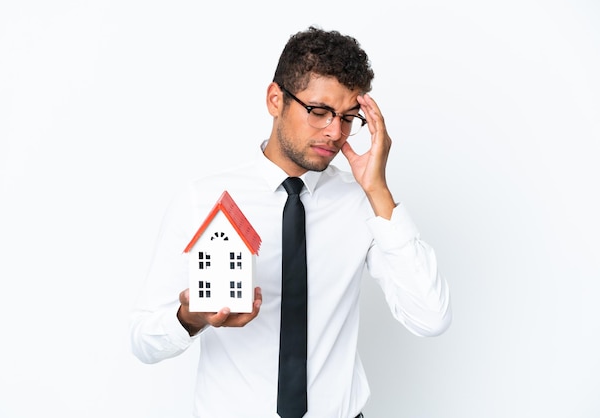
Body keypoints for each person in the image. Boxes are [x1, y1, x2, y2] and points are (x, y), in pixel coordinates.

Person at [130, 26, 452, 418]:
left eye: (349, 117)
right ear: (275, 99)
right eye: (319, 112)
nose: (335, 132)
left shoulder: (362, 202)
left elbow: (430, 317)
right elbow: (143, 341)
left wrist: (378, 190)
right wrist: (189, 319)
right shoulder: (203, 200)